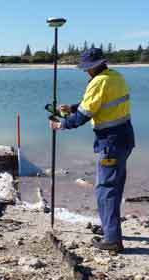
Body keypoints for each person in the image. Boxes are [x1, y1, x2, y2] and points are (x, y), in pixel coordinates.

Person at [49, 47, 135, 253]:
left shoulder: (98, 82)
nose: (85, 72)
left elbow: (85, 115)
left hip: (111, 143)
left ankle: (112, 239)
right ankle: (109, 228)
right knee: (113, 186)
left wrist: (62, 125)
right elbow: (95, 104)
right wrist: (71, 107)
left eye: (86, 68)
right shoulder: (115, 76)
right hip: (124, 139)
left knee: (106, 189)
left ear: (93, 66)